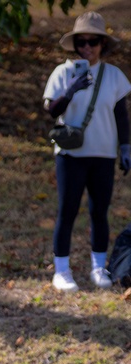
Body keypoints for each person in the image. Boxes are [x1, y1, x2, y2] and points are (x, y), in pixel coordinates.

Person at [43, 12, 131, 293]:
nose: (87, 48)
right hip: (70, 156)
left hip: (103, 154)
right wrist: (70, 90)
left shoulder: (114, 76)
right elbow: (52, 111)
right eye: (81, 42)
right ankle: (62, 270)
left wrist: (126, 148)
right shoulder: (62, 72)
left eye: (93, 42)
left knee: (99, 212)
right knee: (67, 212)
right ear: (75, 45)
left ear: (102, 45)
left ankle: (98, 266)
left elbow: (121, 116)